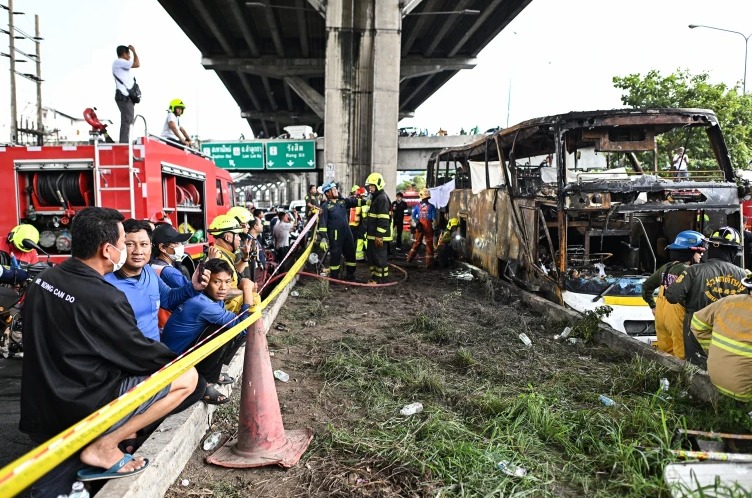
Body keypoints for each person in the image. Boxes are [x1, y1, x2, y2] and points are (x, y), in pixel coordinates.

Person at [20, 207, 199, 494]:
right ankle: (104, 446)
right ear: (107, 250)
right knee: (188, 379)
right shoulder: (105, 296)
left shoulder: (45, 279)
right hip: (80, 403)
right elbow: (139, 354)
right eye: (123, 244)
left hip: (38, 402)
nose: (130, 251)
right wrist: (180, 361)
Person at [162, 258, 257, 405]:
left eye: (227, 282)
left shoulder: (207, 296)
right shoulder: (202, 304)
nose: (223, 288)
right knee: (226, 329)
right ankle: (205, 383)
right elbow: (243, 327)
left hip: (184, 349)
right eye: (216, 282)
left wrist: (241, 289)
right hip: (174, 360)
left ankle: (215, 372)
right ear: (206, 282)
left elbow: (227, 293)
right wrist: (246, 290)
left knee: (228, 326)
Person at [103, 220, 207, 342]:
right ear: (119, 246)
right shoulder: (105, 283)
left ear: (151, 248)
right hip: (126, 358)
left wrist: (193, 287)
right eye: (130, 244)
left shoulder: (149, 271)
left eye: (144, 244)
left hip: (155, 354)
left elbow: (168, 299)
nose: (138, 251)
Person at [665, 226, 748, 367]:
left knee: (696, 369)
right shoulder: (745, 276)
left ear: (711, 248)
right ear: (734, 251)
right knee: (727, 368)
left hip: (696, 330)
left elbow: (673, 296)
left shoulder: (693, 271)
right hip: (730, 330)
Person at [641, 230, 706, 359]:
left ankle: (665, 379)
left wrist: (653, 305)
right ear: (689, 252)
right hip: (677, 319)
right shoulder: (689, 271)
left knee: (665, 355)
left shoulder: (665, 268)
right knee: (682, 357)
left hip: (660, 316)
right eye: (699, 251)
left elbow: (646, 286)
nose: (701, 254)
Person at [690, 273, 752, 401]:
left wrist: (710, 350)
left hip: (717, 380)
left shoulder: (728, 301)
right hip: (745, 392)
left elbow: (697, 323)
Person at [317, 181, 362, 281]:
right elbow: (323, 224)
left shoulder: (342, 202)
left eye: (336, 189)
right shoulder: (325, 207)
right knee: (335, 256)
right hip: (335, 235)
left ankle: (350, 275)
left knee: (351, 254)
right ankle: (334, 277)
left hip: (347, 233)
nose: (336, 191)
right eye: (333, 190)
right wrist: (324, 238)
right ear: (327, 193)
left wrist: (366, 201)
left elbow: (354, 202)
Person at [207, 214, 247, 313]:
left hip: (229, 308)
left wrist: (245, 258)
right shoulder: (219, 257)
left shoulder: (224, 254)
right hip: (226, 312)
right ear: (228, 237)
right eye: (237, 235)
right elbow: (220, 292)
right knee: (254, 299)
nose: (239, 239)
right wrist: (246, 290)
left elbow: (233, 273)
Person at [364, 173, 392, 284]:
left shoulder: (382, 198)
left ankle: (381, 279)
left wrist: (379, 235)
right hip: (372, 235)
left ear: (378, 185)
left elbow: (383, 219)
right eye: (369, 185)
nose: (370, 187)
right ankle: (375, 277)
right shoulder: (376, 197)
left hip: (378, 236)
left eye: (372, 185)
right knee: (372, 257)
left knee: (379, 258)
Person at [112, 44, 140, 144]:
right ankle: (124, 144)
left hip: (126, 97)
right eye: (129, 54)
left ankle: (125, 142)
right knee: (127, 121)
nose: (130, 56)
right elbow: (137, 64)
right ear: (124, 54)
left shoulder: (121, 64)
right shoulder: (119, 62)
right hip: (123, 97)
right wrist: (134, 51)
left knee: (128, 120)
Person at [150, 223, 192, 287]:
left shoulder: (152, 265)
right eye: (177, 243)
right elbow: (191, 291)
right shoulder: (171, 273)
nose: (181, 246)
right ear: (162, 248)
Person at [406, 188, 437, 269]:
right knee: (429, 244)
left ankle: (409, 258)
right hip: (428, 225)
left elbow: (413, 216)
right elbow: (434, 219)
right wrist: (434, 228)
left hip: (420, 225)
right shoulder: (432, 206)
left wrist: (416, 223)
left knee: (417, 242)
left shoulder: (417, 206)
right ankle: (429, 264)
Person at [349, 185, 366, 260]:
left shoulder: (355, 201)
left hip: (358, 224)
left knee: (358, 240)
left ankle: (357, 255)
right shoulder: (352, 201)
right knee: (354, 241)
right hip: (354, 225)